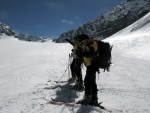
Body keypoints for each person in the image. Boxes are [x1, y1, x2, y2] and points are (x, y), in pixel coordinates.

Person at [77, 34, 99, 105]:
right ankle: (94, 99)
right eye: (82, 41)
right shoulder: (87, 44)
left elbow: (92, 54)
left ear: (86, 39)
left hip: (93, 65)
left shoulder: (93, 43)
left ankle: (87, 99)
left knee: (87, 81)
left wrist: (82, 54)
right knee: (92, 82)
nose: (83, 42)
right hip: (90, 65)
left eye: (83, 41)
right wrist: (81, 55)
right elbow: (86, 55)